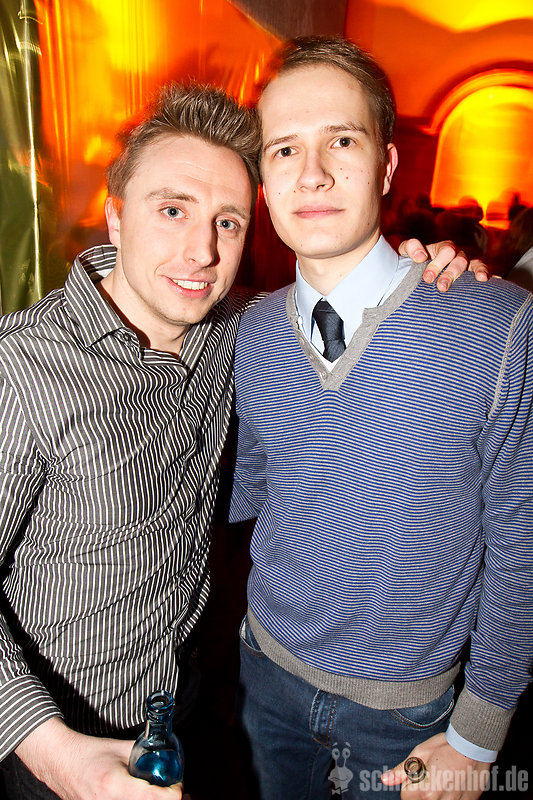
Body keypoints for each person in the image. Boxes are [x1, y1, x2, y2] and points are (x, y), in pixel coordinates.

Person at [0, 77, 484, 800]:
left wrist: (432, 271)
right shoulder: (21, 371)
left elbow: (338, 309)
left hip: (186, 704)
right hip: (57, 739)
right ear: (115, 216)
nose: (200, 251)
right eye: (172, 210)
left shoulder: (236, 331)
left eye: (227, 222)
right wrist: (56, 753)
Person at [229, 36, 533, 800]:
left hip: (406, 711)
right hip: (263, 669)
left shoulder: (495, 323)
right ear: (262, 178)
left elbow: (521, 535)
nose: (312, 173)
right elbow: (252, 486)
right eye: (284, 150)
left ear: (387, 165)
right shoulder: (250, 331)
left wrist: (478, 732)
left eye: (341, 140)